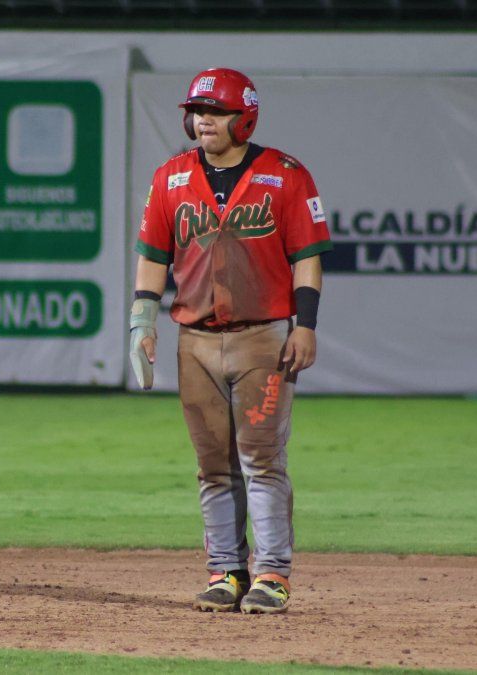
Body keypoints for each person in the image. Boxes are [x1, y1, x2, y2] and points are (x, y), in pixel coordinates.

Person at [129, 68, 331, 613]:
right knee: (212, 464)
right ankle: (225, 571)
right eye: (196, 112)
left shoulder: (285, 175)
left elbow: (306, 257)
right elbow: (153, 256)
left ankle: (272, 574)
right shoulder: (171, 177)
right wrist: (141, 322)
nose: (202, 122)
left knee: (262, 460)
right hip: (194, 340)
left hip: (262, 338)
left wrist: (305, 324)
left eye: (214, 113)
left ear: (245, 117)